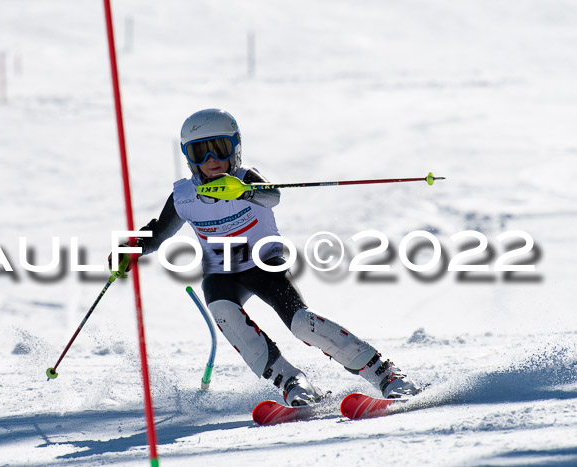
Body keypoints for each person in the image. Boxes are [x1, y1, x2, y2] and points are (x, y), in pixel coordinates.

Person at [110, 108, 421, 406]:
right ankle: (292, 382)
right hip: (221, 270)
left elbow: (273, 195)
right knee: (223, 310)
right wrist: (131, 248)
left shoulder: (246, 178)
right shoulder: (185, 196)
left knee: (300, 322)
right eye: (199, 153)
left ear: (235, 149)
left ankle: (385, 373)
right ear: (188, 158)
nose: (211, 160)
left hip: (263, 263)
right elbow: (159, 233)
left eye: (219, 149)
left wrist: (244, 191)